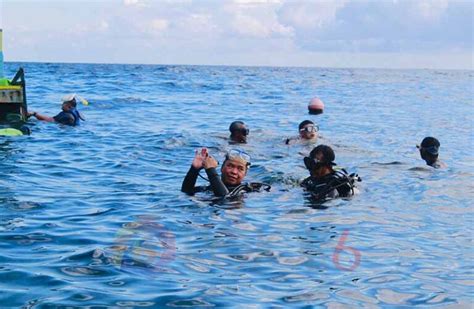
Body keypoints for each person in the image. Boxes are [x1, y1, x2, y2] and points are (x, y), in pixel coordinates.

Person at [181, 148, 270, 198]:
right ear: (222, 168)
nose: (234, 172)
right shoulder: (209, 188)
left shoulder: (245, 191)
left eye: (240, 169)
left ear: (245, 174)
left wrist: (210, 169)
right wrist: (194, 169)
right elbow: (186, 191)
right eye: (230, 166)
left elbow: (224, 197)